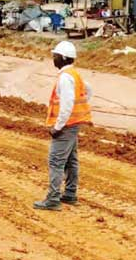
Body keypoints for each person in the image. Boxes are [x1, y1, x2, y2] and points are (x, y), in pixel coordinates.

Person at [34, 41, 93, 211]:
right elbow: (88, 91)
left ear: (63, 57)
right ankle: (70, 193)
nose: (53, 58)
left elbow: (67, 104)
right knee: (71, 161)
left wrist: (58, 127)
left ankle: (53, 198)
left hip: (66, 126)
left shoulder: (66, 78)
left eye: (55, 56)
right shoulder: (75, 74)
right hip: (74, 124)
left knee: (56, 161)